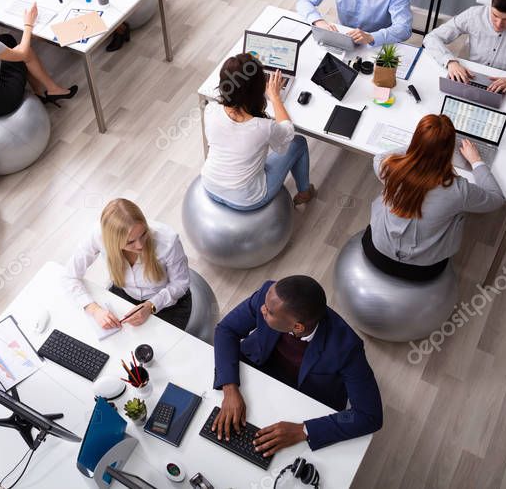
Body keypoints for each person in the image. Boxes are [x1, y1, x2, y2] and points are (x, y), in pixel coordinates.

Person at [212, 276, 383, 454]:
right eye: (265, 305)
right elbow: (226, 330)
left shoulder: (347, 347)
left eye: (269, 312)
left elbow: (368, 415)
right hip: (252, 375)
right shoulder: (270, 296)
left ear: (298, 327)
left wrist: (303, 430)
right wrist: (230, 388)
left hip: (302, 402)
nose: (262, 309)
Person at [367, 114, 505, 281]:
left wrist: (421, 147)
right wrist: (476, 161)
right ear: (449, 151)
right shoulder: (458, 190)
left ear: (415, 140)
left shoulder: (389, 169)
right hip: (423, 269)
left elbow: (378, 158)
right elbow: (496, 199)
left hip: (377, 251)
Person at [201, 53, 315, 209]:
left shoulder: (210, 109)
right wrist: (275, 97)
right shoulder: (263, 127)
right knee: (299, 142)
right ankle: (305, 192)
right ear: (259, 89)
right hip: (246, 199)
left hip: (210, 184)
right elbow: (288, 134)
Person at [62, 199, 192, 330]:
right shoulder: (99, 235)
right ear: (113, 242)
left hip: (167, 304)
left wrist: (150, 306)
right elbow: (70, 276)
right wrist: (94, 309)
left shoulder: (168, 241)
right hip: (125, 294)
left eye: (143, 234)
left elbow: (180, 284)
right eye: (130, 242)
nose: (140, 245)